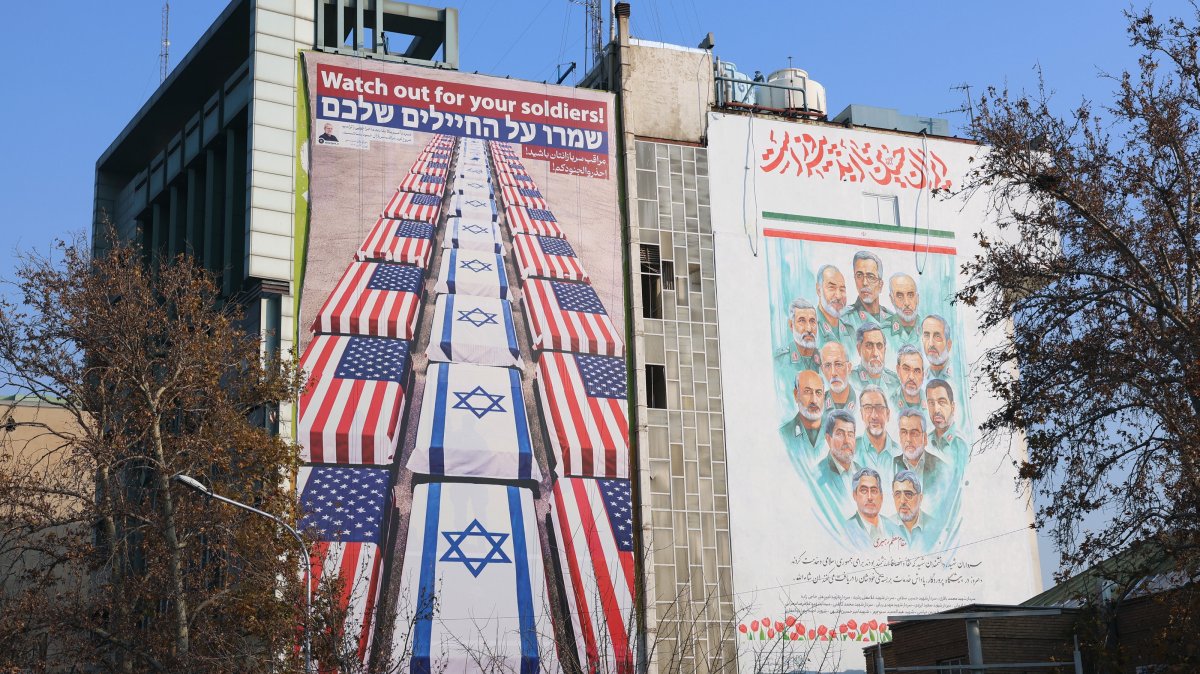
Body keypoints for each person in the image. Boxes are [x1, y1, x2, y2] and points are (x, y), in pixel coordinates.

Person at [893, 409, 946, 504]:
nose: (908, 439)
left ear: (925, 438)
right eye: (904, 432)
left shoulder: (940, 468)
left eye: (914, 433)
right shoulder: (891, 465)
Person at [856, 385, 900, 488]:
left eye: (879, 408)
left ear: (888, 414)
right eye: (867, 408)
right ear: (861, 414)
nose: (874, 415)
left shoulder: (900, 453)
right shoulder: (850, 451)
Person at [780, 369, 826, 465]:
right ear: (796, 395)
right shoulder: (783, 435)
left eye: (818, 393)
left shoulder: (835, 431)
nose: (814, 400)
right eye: (807, 392)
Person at [887, 470, 940, 551]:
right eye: (897, 494)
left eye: (908, 494)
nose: (902, 501)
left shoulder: (935, 528)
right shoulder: (885, 527)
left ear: (920, 498)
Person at [841, 251, 893, 331]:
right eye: (859, 275)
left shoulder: (892, 319)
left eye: (871, 277)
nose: (864, 283)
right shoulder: (844, 319)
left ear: (880, 284)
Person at [814, 410, 861, 498]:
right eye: (840, 434)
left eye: (850, 435)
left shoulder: (861, 472)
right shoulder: (817, 477)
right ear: (828, 439)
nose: (847, 441)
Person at [926, 379, 968, 470]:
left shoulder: (961, 445)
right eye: (931, 403)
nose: (936, 409)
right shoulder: (925, 442)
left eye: (941, 402)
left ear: (952, 407)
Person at [851, 322, 901, 398]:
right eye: (869, 346)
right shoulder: (851, 378)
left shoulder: (895, 381)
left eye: (879, 346)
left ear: (885, 350)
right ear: (859, 349)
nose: (875, 353)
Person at [814, 265, 855, 354]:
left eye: (842, 290)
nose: (839, 296)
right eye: (831, 288)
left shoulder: (850, 330)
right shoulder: (811, 328)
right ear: (818, 290)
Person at [774, 297, 821, 373]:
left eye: (812, 321)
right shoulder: (780, 361)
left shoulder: (824, 359)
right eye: (802, 321)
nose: (809, 329)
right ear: (791, 325)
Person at [847, 468, 888, 546]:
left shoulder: (894, 528)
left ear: (882, 497)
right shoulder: (845, 531)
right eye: (864, 491)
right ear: (854, 495)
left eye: (874, 491)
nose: (869, 497)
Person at [885, 273, 921, 350]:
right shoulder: (882, 331)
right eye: (900, 296)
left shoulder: (927, 328)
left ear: (917, 298)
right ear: (892, 299)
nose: (907, 303)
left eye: (910, 295)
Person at [819, 342, 855, 412]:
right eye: (827, 365)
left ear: (849, 367)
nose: (833, 373)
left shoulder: (863, 400)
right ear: (823, 370)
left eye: (838, 364)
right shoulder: (817, 405)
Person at [892, 345, 925, 411]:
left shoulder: (930, 401)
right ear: (898, 370)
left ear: (923, 375)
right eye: (906, 369)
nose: (911, 377)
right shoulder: (890, 403)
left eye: (916, 371)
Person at [920, 314, 954, 379]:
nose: (931, 344)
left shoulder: (956, 373)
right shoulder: (922, 377)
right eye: (926, 336)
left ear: (948, 344)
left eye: (937, 336)